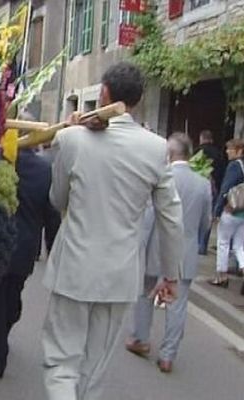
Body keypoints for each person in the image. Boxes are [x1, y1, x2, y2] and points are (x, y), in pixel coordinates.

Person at [41, 62, 183, 400]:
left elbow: (56, 198)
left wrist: (72, 138)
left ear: (104, 93)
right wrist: (171, 275)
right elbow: (171, 217)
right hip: (119, 274)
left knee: (62, 363)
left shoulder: (71, 138)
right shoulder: (156, 148)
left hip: (74, 267)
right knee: (95, 368)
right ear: (137, 100)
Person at [0, 117, 60, 378]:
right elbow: (52, 215)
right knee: (12, 299)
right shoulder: (45, 170)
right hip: (24, 250)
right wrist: (54, 249)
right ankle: (0, 339)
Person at [126, 133, 212, 373]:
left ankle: (140, 339)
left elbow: (148, 217)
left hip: (157, 247)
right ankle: (167, 355)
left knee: (145, 294)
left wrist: (139, 246)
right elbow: (206, 222)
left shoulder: (159, 178)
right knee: (178, 303)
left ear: (170, 154)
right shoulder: (203, 184)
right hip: (185, 252)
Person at [209, 138, 244, 287]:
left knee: (223, 242)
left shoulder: (234, 166)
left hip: (230, 210)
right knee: (239, 245)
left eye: (230, 149)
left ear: (238, 151)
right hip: (242, 213)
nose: (227, 151)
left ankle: (221, 276)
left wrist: (216, 210)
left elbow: (225, 188)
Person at [196, 129, 225, 254]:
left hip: (198, 186)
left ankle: (196, 244)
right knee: (208, 216)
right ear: (211, 139)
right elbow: (221, 172)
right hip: (213, 189)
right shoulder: (219, 153)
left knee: (196, 214)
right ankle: (203, 246)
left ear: (201, 138)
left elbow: (193, 168)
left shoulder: (198, 151)